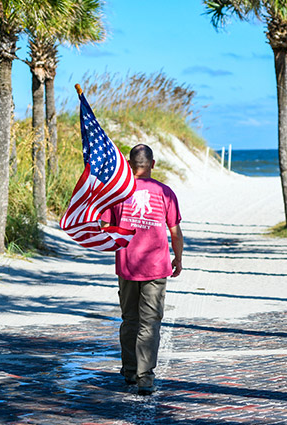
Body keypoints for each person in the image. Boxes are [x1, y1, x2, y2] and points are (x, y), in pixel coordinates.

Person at [101, 144, 183, 396]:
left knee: (130, 320)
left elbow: (105, 227)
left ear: (128, 164)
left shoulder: (117, 193)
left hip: (126, 265)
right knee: (150, 322)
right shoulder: (164, 192)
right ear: (153, 164)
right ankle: (145, 377)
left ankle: (129, 371)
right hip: (156, 267)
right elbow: (175, 231)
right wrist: (178, 258)